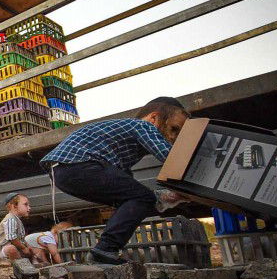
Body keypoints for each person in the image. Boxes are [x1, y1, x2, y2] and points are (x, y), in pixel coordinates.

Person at [40, 97, 190, 265]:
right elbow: (170, 157)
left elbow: (127, 185)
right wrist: (196, 180)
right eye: (174, 129)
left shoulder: (122, 140)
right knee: (141, 197)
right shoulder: (142, 125)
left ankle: (105, 252)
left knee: (135, 198)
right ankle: (104, 251)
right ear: (154, 118)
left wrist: (163, 197)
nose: (174, 137)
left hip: (64, 171)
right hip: (79, 164)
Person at [0, 193, 40, 263]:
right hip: (4, 251)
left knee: (31, 246)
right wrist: (24, 248)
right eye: (25, 204)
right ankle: (22, 266)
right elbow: (11, 237)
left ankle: (35, 263)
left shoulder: (17, 220)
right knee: (11, 249)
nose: (29, 208)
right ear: (14, 206)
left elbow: (21, 238)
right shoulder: (10, 219)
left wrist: (27, 246)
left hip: (18, 249)